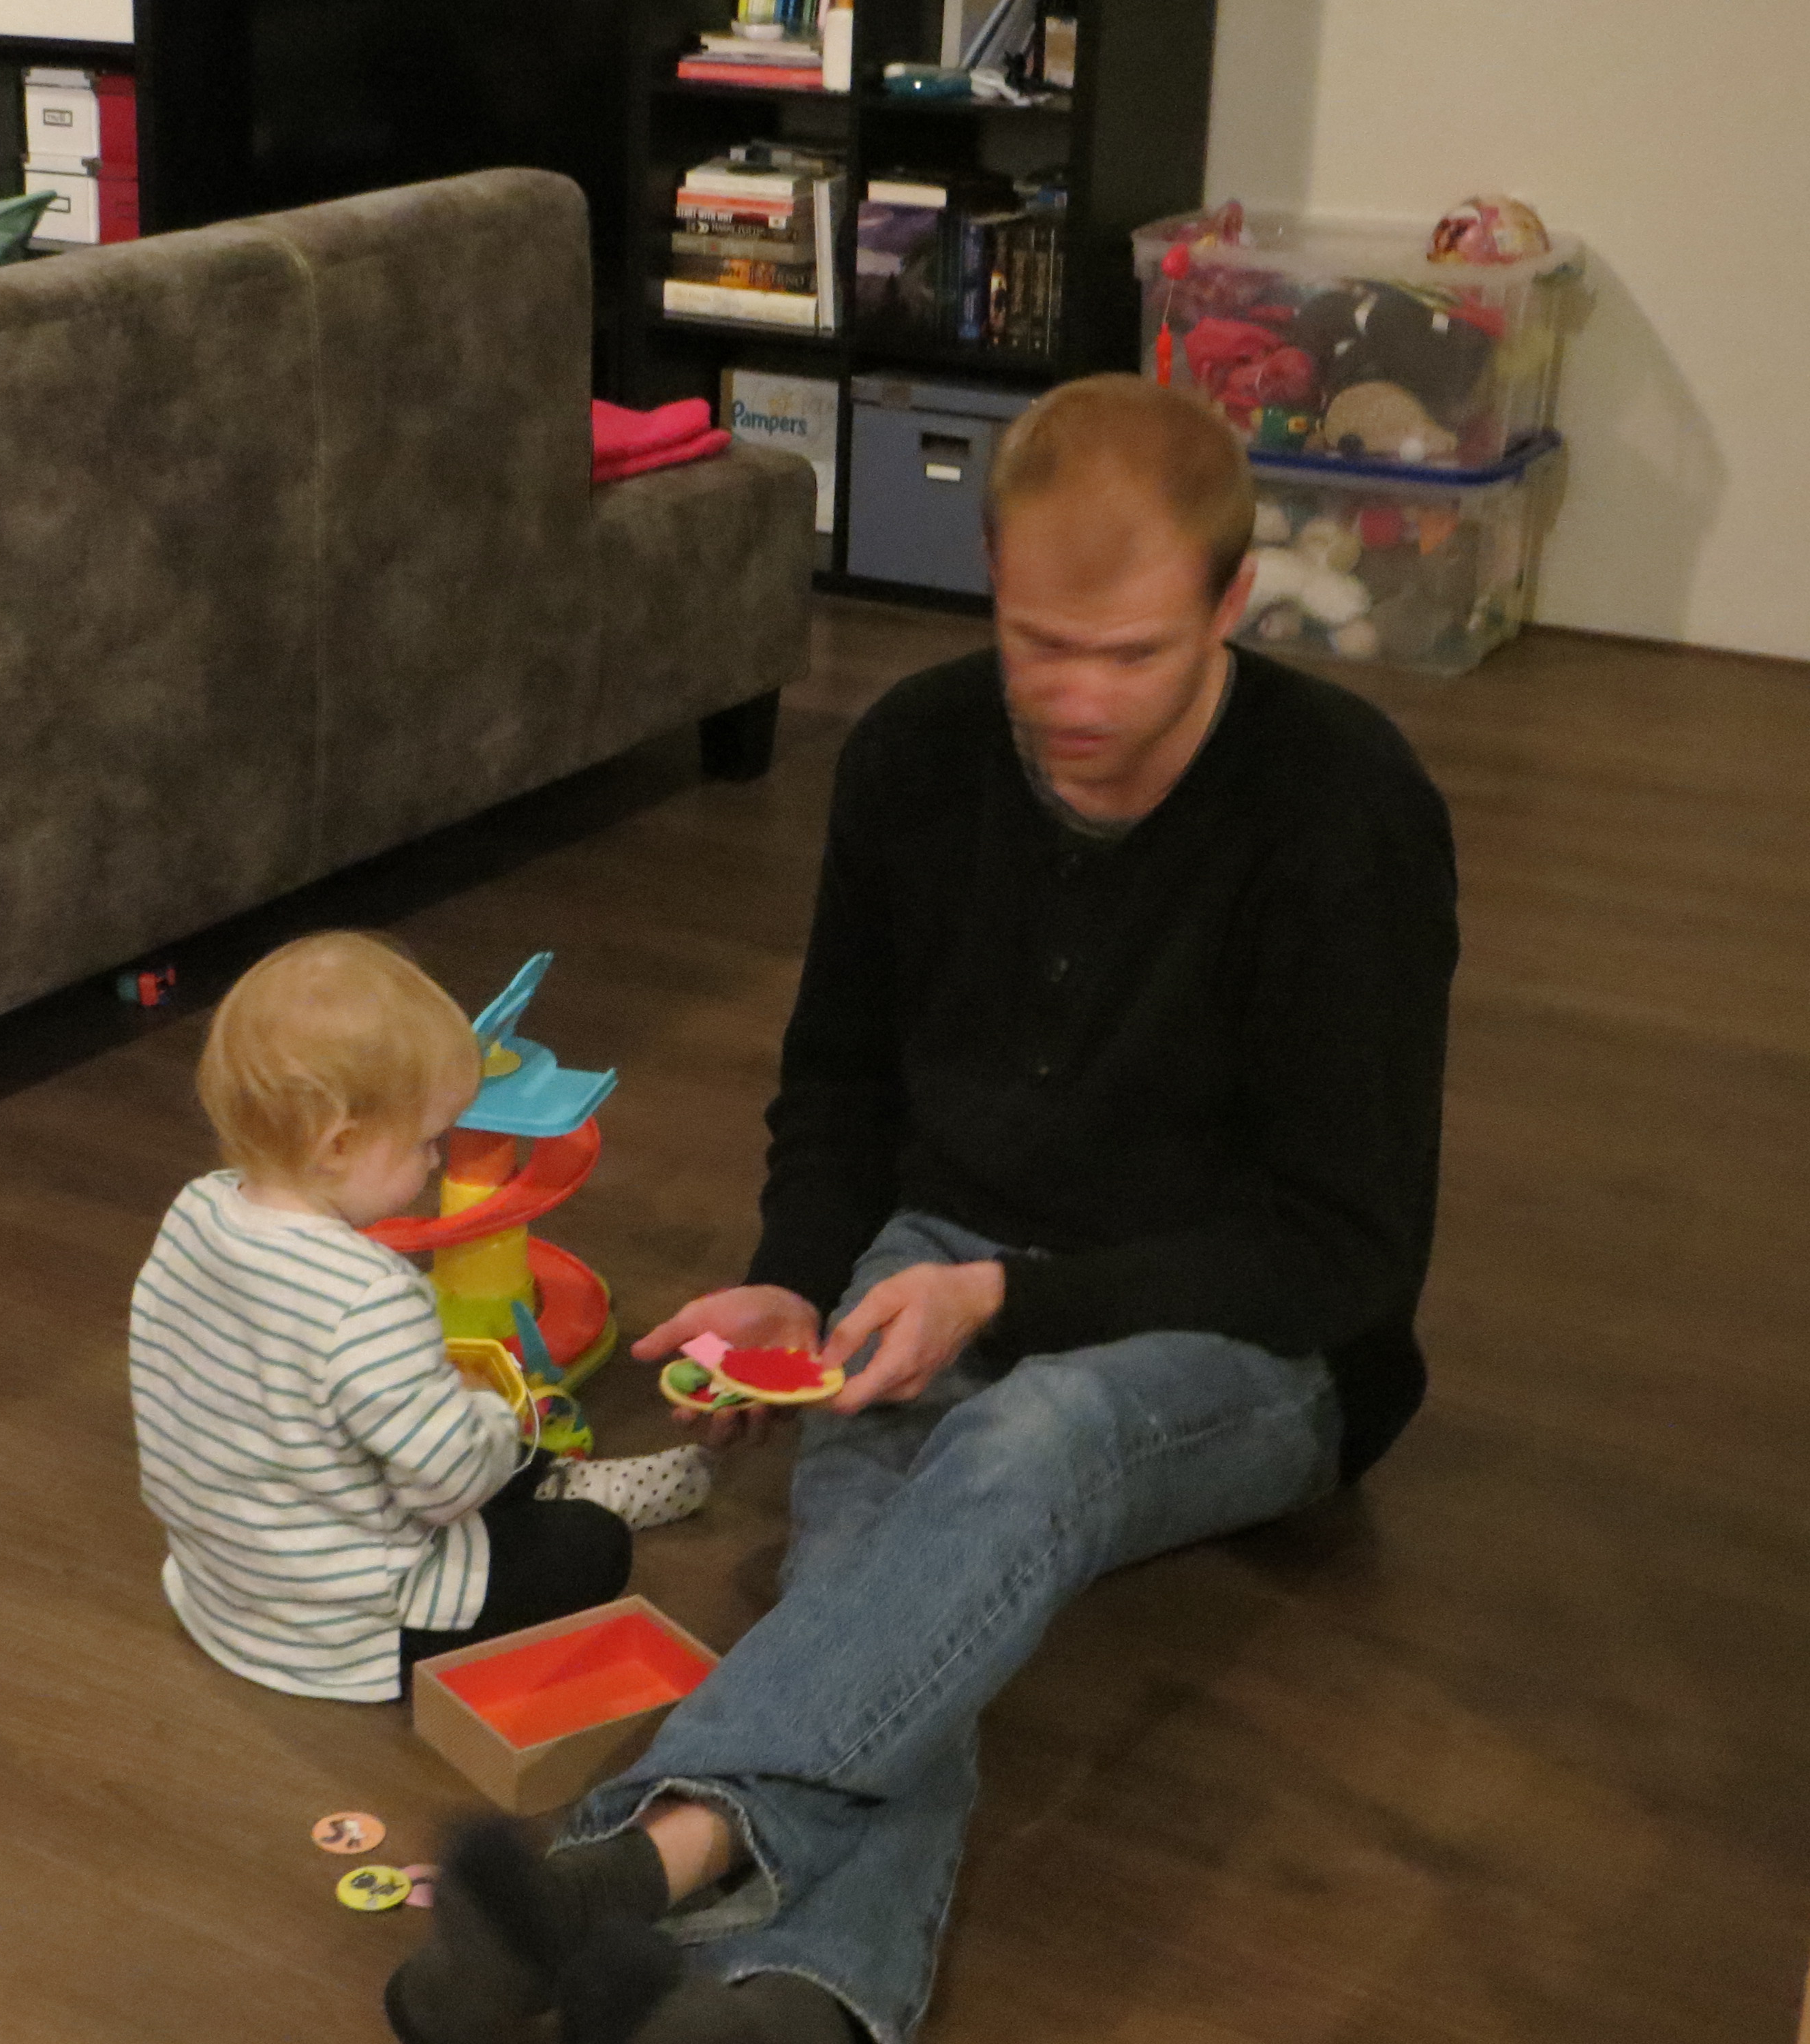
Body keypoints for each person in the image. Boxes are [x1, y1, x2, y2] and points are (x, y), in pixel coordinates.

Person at [385, 375, 1460, 2041]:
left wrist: (1007, 1310)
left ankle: (635, 1860)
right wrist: (793, 1279)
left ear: (1231, 601)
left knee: (1034, 1434)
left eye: (1131, 654)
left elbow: (1343, 1252)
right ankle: (796, 2003)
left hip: (1256, 1333)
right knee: (878, 1566)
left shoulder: (1343, 808)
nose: (1077, 697)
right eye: (1039, 643)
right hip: (944, 1253)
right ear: (987, 578)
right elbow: (840, 1081)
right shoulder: (912, 752)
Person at [129, 931, 713, 1704]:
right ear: (339, 1145)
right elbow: (447, 1488)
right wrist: (493, 1413)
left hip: (226, 1588)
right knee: (589, 1547)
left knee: (453, 1439)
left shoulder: (195, 1210)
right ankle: (568, 1495)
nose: (436, 1162)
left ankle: (548, 1480)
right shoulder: (368, 1295)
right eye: (425, 1142)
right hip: (351, 1630)